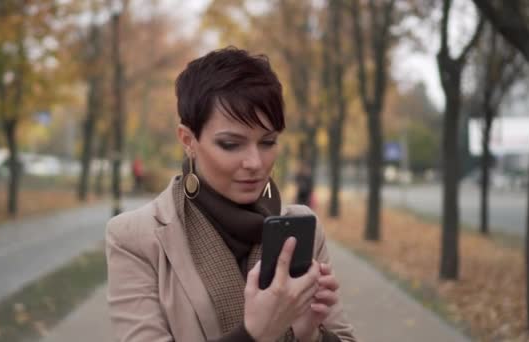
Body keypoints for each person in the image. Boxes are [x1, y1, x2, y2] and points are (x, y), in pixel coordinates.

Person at [106, 47, 358, 342]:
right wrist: (256, 334)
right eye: (230, 144)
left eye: (267, 142)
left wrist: (310, 334)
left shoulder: (302, 230)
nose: (255, 163)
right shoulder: (135, 237)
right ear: (188, 140)